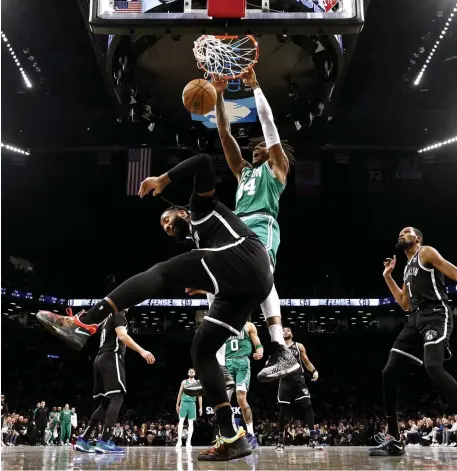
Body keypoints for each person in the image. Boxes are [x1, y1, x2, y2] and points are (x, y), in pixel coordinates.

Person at [37, 152, 273, 461]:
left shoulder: (200, 208)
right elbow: (216, 262)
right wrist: (206, 281)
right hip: (249, 285)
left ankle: (86, 321)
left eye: (167, 220)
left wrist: (163, 179)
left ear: (181, 213)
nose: (166, 227)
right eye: (162, 227)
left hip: (246, 256)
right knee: (202, 350)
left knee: (161, 272)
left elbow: (203, 161)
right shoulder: (202, 240)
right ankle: (232, 436)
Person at [211, 70, 299, 382]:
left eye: (259, 146)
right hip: (236, 229)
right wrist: (219, 94)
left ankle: (279, 347)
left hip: (263, 225)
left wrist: (255, 87)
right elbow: (224, 135)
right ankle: (219, 359)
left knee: (263, 277)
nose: (254, 147)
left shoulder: (277, 170)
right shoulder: (243, 173)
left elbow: (270, 128)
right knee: (213, 279)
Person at [370, 227, 457, 456]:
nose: (400, 234)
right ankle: (395, 439)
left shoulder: (426, 253)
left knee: (433, 366)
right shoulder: (408, 268)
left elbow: (454, 273)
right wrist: (388, 276)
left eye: (406, 232)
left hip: (436, 314)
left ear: (417, 238)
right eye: (398, 232)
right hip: (415, 318)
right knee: (388, 372)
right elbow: (404, 303)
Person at [74, 310, 155, 454]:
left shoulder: (107, 318)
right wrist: (142, 351)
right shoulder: (119, 315)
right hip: (112, 357)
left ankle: (84, 439)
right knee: (117, 397)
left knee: (105, 402)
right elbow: (122, 336)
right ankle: (104, 441)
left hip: (99, 359)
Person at [275, 327, 318, 452]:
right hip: (284, 380)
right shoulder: (278, 347)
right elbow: (273, 364)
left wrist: (314, 371)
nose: (285, 331)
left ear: (292, 334)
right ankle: (280, 441)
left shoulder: (299, 346)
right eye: (283, 330)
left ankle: (312, 438)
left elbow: (306, 362)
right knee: (283, 411)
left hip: (299, 379)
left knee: (308, 405)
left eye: (288, 330)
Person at [223, 322, 264, 449]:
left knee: (241, 399)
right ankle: (230, 434)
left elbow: (257, 342)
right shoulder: (224, 325)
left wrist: (260, 351)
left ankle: (251, 435)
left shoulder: (248, 326)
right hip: (226, 363)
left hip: (242, 362)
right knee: (224, 402)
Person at [175, 368, 202, 449]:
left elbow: (200, 396)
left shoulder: (198, 383)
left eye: (192, 371)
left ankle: (188, 442)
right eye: (189, 371)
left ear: (195, 373)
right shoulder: (184, 382)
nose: (191, 372)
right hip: (184, 403)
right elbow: (180, 393)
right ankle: (179, 441)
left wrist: (200, 407)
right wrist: (177, 404)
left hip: (192, 404)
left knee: (191, 423)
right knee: (181, 422)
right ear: (188, 373)